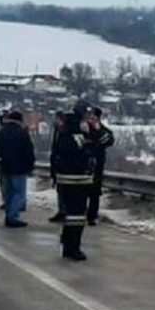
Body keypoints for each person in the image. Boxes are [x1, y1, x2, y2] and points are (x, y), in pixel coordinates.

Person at [52, 107, 96, 261]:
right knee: (77, 216)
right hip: (76, 180)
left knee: (72, 215)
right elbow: (88, 150)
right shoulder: (76, 137)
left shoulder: (63, 135)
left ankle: (68, 245)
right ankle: (73, 247)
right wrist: (87, 134)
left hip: (67, 180)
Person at [0, 110, 36, 228]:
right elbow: (29, 150)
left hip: (5, 167)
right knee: (19, 194)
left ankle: (9, 214)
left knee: (9, 193)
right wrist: (30, 166)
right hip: (19, 168)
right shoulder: (22, 133)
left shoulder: (2, 132)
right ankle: (13, 217)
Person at [86, 107, 115, 226]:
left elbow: (109, 141)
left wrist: (98, 130)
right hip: (83, 165)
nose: (91, 120)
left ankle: (92, 216)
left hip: (97, 166)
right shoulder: (82, 129)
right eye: (89, 117)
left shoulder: (103, 130)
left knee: (94, 192)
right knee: (81, 191)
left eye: (93, 117)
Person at [48, 111, 67, 224]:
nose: (54, 121)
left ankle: (66, 211)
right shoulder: (57, 131)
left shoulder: (66, 132)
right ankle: (62, 211)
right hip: (57, 165)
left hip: (64, 166)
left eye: (56, 119)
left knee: (65, 190)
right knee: (60, 190)